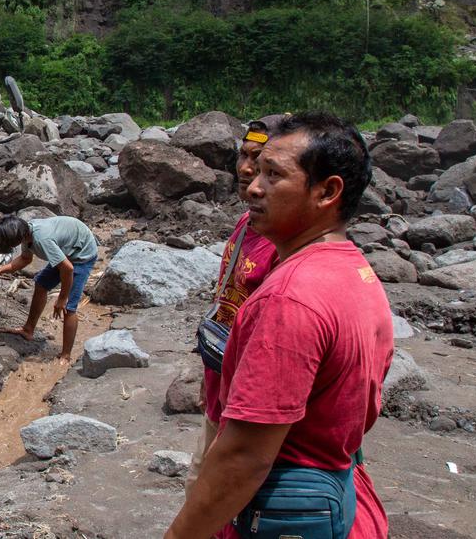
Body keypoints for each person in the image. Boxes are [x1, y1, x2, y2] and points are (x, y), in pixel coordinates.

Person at [167, 112, 393, 539]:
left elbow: (244, 458)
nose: (253, 185)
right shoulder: (353, 271)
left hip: (280, 509)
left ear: (327, 192)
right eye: (253, 166)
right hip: (332, 496)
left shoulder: (289, 299)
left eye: (273, 174)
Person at [188, 115, 284, 492]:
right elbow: (226, 300)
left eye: (259, 159)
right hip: (221, 385)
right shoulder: (247, 222)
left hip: (249, 405)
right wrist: (209, 372)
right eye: (243, 156)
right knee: (200, 484)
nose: (246, 169)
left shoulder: (286, 245)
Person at [0, 214, 98, 363]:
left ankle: (66, 355)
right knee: (41, 284)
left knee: (69, 308)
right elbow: (25, 259)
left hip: (81, 254)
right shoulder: (26, 232)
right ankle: (28, 330)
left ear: (19, 238)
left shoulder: (41, 240)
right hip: (66, 251)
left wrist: (62, 299)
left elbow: (68, 269)